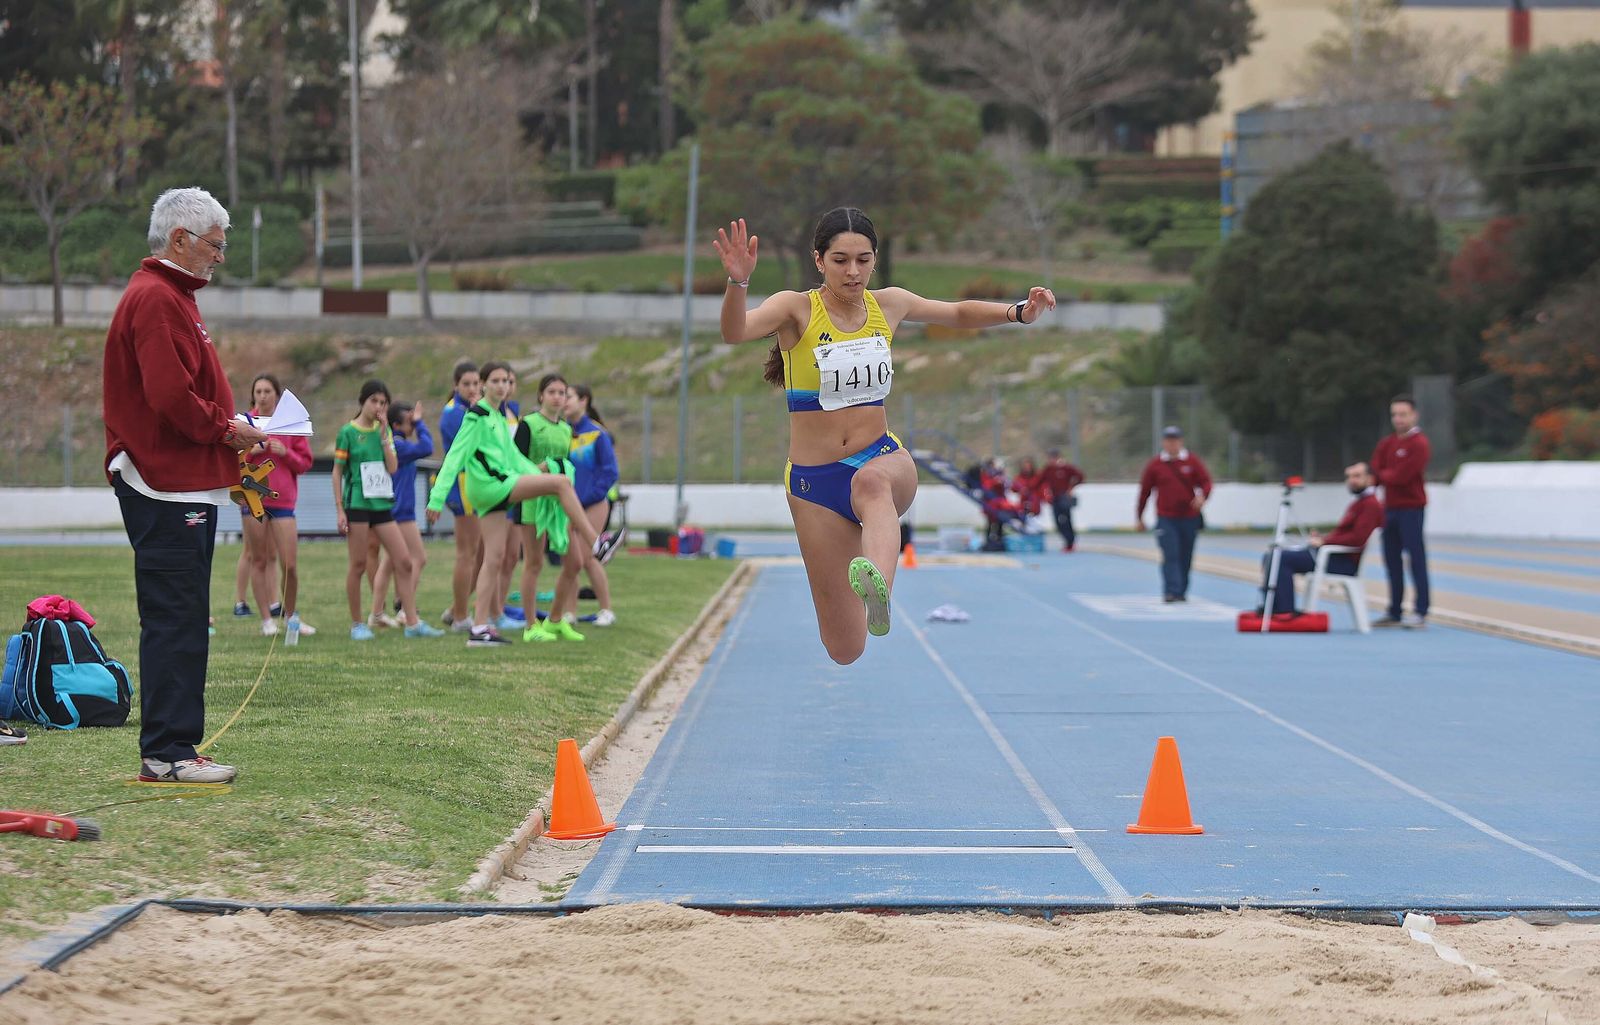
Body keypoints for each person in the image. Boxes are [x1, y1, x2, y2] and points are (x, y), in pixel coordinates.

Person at [714, 208, 1056, 663]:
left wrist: (1018, 312)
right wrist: (738, 284)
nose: (853, 271)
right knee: (844, 648)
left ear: (875, 261)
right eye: (840, 260)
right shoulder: (795, 309)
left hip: (880, 458)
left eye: (863, 259)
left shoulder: (888, 304)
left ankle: (879, 586)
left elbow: (955, 312)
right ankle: (864, 602)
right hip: (814, 484)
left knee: (871, 484)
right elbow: (735, 332)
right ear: (819, 260)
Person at [104, 186, 267, 784]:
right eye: (215, 246)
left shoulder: (173, 297)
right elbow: (170, 396)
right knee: (175, 616)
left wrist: (227, 427)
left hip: (185, 484)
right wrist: (227, 430)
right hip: (164, 483)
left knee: (187, 615)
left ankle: (177, 747)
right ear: (180, 240)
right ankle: (167, 753)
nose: (220, 257)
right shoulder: (154, 298)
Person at [425, 383, 598, 648]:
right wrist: (437, 498)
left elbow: (514, 459)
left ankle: (480, 628)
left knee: (493, 558)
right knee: (562, 483)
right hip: (491, 486)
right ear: (485, 385)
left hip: (497, 485)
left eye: (506, 381)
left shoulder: (498, 417)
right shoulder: (478, 416)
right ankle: (597, 542)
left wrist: (540, 476)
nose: (502, 386)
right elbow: (454, 456)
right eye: (495, 380)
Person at [333, 379, 444, 640]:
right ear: (363, 401)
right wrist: (340, 509)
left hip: (383, 504)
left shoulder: (385, 433)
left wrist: (384, 436)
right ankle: (357, 623)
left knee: (404, 561)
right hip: (358, 504)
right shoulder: (347, 433)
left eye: (383, 403)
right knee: (358, 564)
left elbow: (392, 467)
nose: (379, 407)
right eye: (374, 401)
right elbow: (337, 473)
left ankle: (413, 623)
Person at [513, 373, 587, 642]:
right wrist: (544, 469)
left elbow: (565, 464)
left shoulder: (567, 429)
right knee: (533, 563)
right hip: (532, 502)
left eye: (562, 392)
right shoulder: (528, 425)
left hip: (557, 504)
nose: (558, 397)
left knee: (575, 562)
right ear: (541, 396)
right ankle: (531, 625)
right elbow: (514, 466)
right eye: (552, 391)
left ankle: (555, 620)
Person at [241, 373, 315, 638]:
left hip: (283, 500)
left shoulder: (290, 423)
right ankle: (266, 620)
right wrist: (253, 452)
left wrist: (287, 453)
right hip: (253, 497)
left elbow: (305, 463)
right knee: (259, 559)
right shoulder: (244, 423)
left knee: (290, 564)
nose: (262, 396)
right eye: (258, 391)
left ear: (277, 395)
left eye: (267, 391)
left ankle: (291, 616)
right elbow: (231, 461)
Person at [1258, 462, 1383, 616]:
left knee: (1281, 558)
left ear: (1370, 479)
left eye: (1357, 476)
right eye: (1349, 476)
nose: (1351, 480)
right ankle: (1274, 608)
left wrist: (1325, 542)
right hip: (1332, 556)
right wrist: (1323, 538)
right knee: (1270, 556)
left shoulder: (1370, 505)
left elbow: (1357, 539)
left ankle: (1284, 610)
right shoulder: (1359, 503)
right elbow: (1344, 534)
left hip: (1342, 562)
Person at [371, 400, 433, 629]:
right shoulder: (400, 444)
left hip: (395, 509)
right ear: (398, 424)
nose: (413, 425)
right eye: (409, 421)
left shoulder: (396, 444)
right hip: (401, 512)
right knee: (419, 557)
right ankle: (406, 609)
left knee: (388, 564)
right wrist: (420, 423)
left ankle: (376, 614)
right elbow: (427, 447)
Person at [1371, 393, 1431, 629]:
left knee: (1415, 559)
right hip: (1390, 509)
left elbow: (1401, 477)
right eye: (1394, 414)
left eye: (1403, 414)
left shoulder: (1419, 444)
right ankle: (1394, 610)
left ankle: (1421, 610)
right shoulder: (1387, 443)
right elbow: (1375, 471)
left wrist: (1383, 476)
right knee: (1391, 560)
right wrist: (1382, 476)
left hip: (1411, 508)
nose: (1398, 419)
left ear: (1414, 415)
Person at [1136, 425, 1212, 603]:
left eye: (1175, 440)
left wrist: (1202, 497)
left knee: (1185, 555)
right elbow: (1144, 492)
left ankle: (1181, 591)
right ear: (1163, 442)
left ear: (1180, 441)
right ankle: (1171, 591)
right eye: (1168, 440)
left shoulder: (1192, 461)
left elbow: (1206, 482)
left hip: (1189, 518)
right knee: (1170, 554)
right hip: (1166, 518)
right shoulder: (1155, 465)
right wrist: (1139, 516)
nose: (1172, 444)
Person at [564, 382, 619, 628]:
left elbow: (610, 472)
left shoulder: (598, 434)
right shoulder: (562, 432)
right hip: (569, 505)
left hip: (594, 504)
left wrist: (589, 497)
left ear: (584, 400)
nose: (564, 400)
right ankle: (570, 612)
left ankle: (606, 609)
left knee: (588, 557)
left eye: (569, 396)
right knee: (571, 560)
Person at [438, 360, 484, 632]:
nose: (472, 388)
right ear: (456, 385)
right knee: (466, 553)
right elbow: (470, 447)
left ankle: (457, 608)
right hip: (463, 484)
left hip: (473, 483)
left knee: (478, 553)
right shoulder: (455, 413)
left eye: (476, 383)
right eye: (466, 384)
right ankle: (460, 617)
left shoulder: (468, 409)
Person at [1039, 449, 1085, 552]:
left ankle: (1070, 542)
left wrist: (1071, 488)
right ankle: (1066, 539)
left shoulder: (1066, 468)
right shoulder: (1048, 469)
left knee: (1066, 519)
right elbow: (1039, 481)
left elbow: (1080, 477)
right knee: (1057, 521)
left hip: (1064, 497)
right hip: (1054, 498)